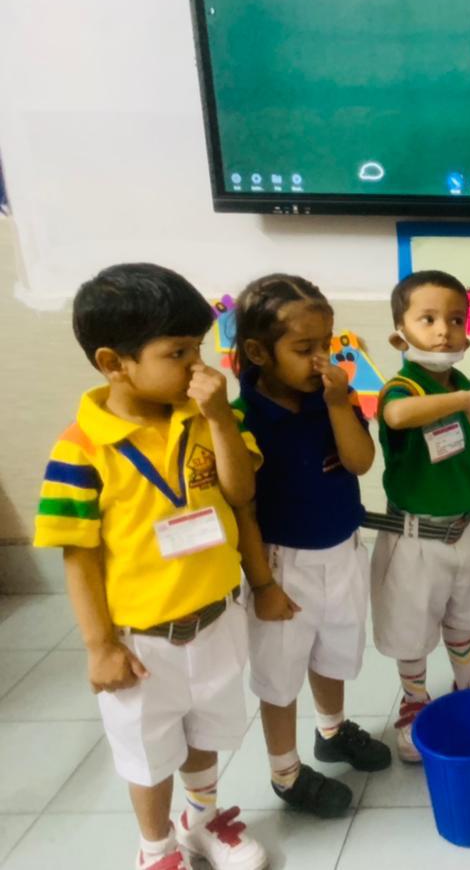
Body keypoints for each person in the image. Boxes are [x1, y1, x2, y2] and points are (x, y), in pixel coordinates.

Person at [33, 263, 267, 870]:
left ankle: (204, 819)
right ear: (114, 363)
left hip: (216, 618)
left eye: (200, 347)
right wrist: (97, 645)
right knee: (147, 753)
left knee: (208, 734)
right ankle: (157, 847)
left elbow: (241, 494)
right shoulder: (80, 449)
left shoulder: (210, 416)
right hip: (142, 643)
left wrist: (218, 419)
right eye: (178, 352)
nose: (198, 366)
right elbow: (78, 558)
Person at [231, 274, 390, 819]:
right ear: (258, 351)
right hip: (281, 565)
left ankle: (332, 730)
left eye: (326, 345)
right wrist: (264, 585)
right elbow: (242, 508)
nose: (321, 359)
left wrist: (339, 403)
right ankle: (286, 774)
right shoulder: (242, 417)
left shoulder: (332, 399)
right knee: (279, 675)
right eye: (304, 349)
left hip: (343, 549)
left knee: (334, 651)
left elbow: (360, 462)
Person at [366, 270, 470, 763]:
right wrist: (464, 402)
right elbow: (399, 418)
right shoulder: (400, 388)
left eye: (455, 319)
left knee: (462, 616)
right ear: (399, 335)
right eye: (427, 319)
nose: (444, 330)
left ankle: (467, 686)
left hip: (465, 531)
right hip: (415, 539)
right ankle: (415, 702)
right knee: (411, 627)